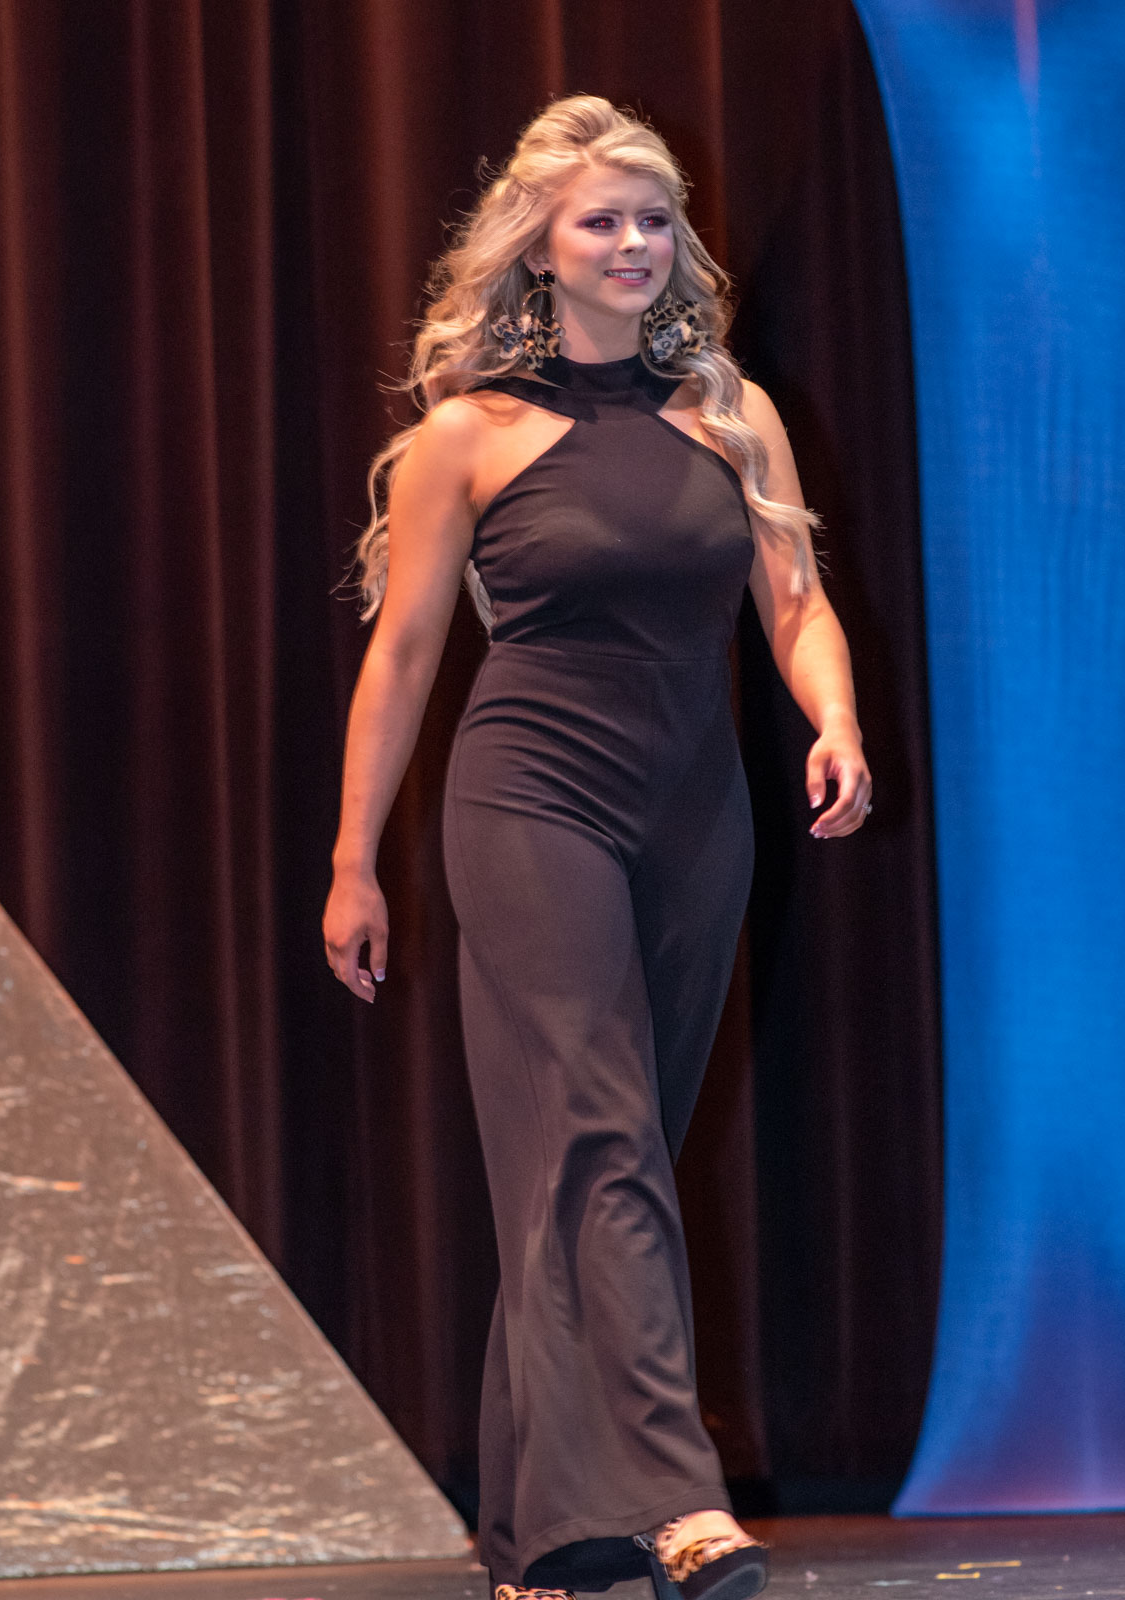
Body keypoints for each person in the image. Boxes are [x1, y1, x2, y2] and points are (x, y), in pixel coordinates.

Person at [323, 95, 872, 1600]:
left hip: (697, 816)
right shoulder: (468, 438)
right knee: (601, 1135)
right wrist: (355, 859)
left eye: (653, 220)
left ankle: (538, 1542)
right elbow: (404, 655)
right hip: (530, 804)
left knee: (586, 1163)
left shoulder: (729, 412)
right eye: (602, 221)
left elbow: (797, 603)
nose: (635, 244)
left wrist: (835, 717)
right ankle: (676, 1499)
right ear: (540, 249)